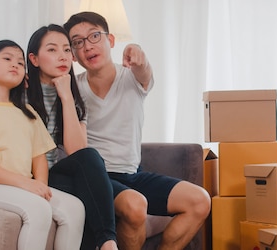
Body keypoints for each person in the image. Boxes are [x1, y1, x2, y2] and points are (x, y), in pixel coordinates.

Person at [0, 26, 119, 250]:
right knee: (39, 209)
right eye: (7, 59)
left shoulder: (27, 111)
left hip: (26, 183)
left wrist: (40, 186)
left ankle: (107, 243)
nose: (15, 64)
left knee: (75, 208)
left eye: (19, 62)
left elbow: (39, 156)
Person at [64, 12, 212, 250]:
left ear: (110, 40)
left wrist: (139, 55)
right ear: (72, 53)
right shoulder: (72, 88)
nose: (88, 46)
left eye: (94, 36)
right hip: (97, 179)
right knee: (135, 206)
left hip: (132, 174)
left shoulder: (132, 77)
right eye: (78, 42)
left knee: (199, 201)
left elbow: (144, 71)